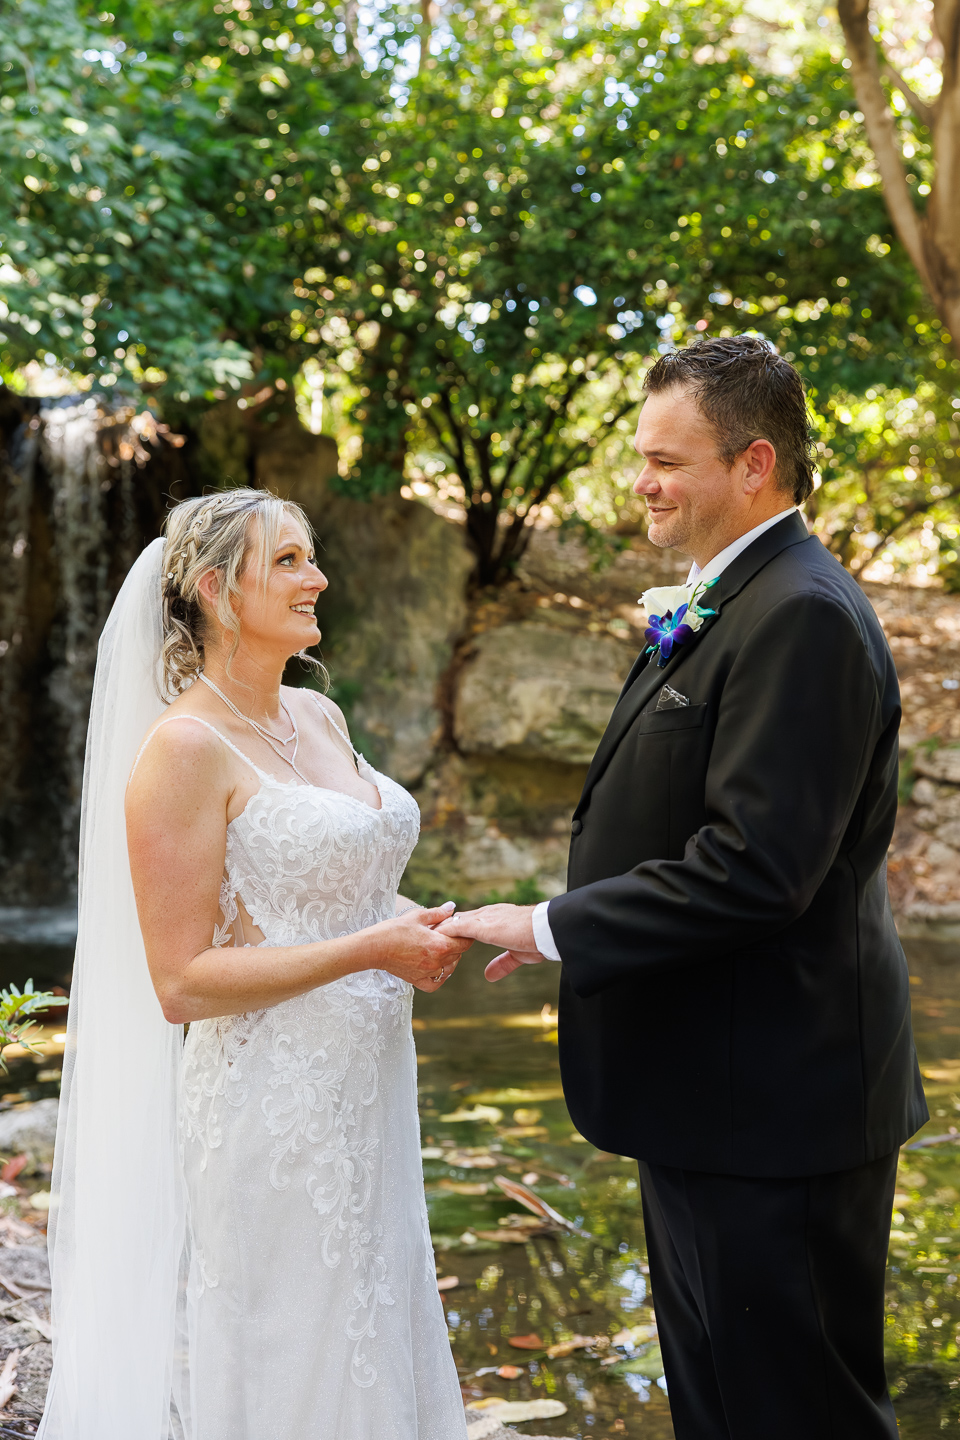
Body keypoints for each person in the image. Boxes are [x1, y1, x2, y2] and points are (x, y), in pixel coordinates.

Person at [440, 335, 928, 1439]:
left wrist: (554, 924)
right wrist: (570, 930)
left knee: (798, 1415)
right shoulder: (734, 594)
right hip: (710, 1092)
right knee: (721, 1410)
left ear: (755, 465)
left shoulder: (802, 611)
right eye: (641, 458)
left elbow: (758, 867)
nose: (642, 483)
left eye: (667, 462)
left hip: (777, 1106)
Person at [39, 488, 470, 1440]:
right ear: (215, 589)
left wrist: (455, 924)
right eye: (287, 561)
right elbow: (181, 981)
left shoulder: (318, 714)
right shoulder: (183, 750)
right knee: (296, 1350)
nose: (318, 578)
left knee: (379, 1321)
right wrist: (377, 950)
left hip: (368, 1091)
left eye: (310, 556)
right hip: (271, 1108)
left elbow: (347, 893)